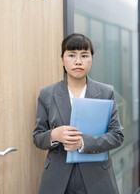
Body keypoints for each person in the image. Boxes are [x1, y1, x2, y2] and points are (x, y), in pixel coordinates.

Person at [33, 33, 124, 194]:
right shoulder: (47, 93)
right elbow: (38, 137)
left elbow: (117, 135)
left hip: (97, 177)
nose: (78, 61)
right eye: (71, 55)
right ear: (63, 59)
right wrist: (54, 134)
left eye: (84, 55)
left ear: (91, 59)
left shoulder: (105, 92)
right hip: (57, 178)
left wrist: (83, 142)